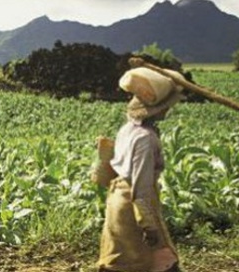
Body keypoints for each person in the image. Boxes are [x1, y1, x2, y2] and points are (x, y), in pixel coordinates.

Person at [96, 67, 184, 272]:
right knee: (157, 260)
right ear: (160, 109)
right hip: (133, 205)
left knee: (121, 260)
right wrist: (149, 226)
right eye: (167, 107)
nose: (168, 110)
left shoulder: (128, 129)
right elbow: (141, 185)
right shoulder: (146, 138)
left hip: (117, 201)